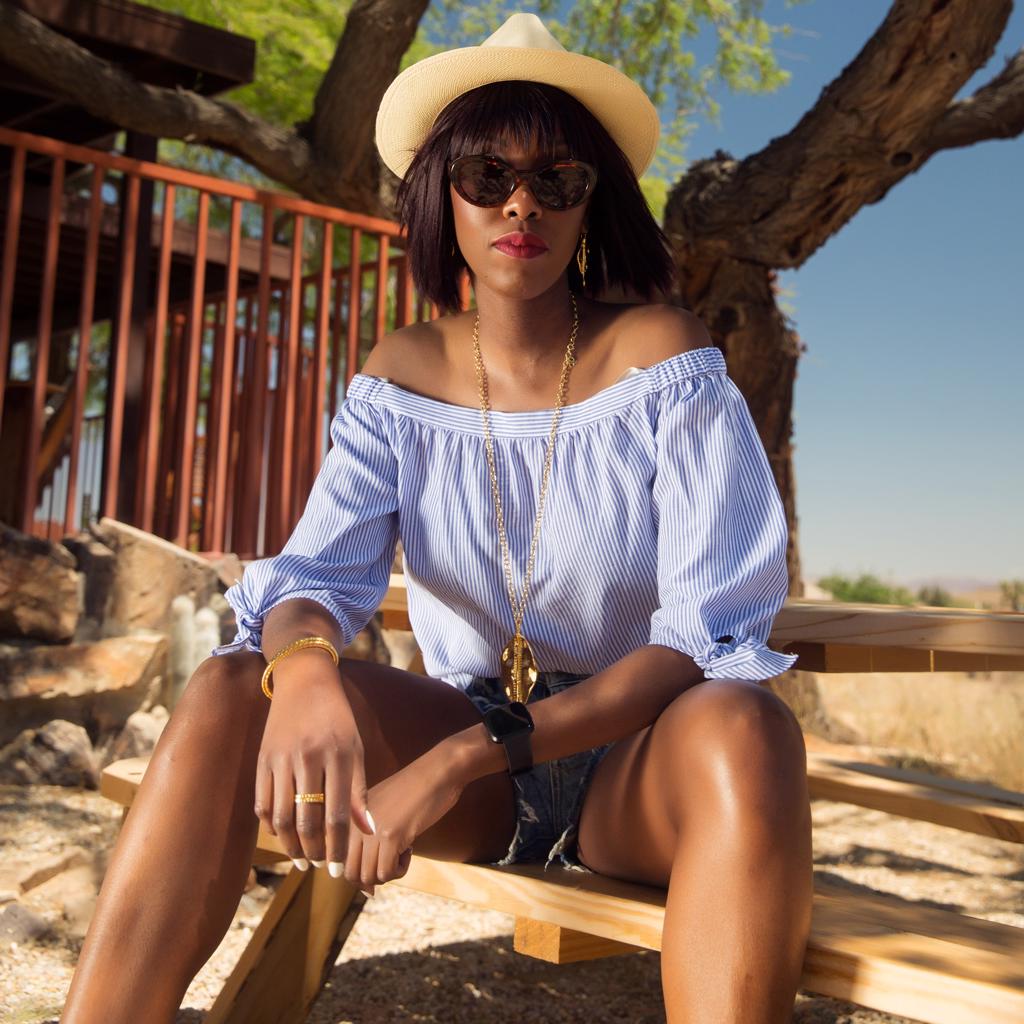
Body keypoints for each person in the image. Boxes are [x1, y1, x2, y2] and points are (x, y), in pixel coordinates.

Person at [62, 13, 812, 1023]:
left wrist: (461, 757)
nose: (520, 203)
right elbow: (312, 579)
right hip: (471, 753)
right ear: (439, 194)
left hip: (635, 761)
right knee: (234, 686)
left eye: (556, 180)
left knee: (746, 725)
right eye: (486, 175)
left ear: (592, 201)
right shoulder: (401, 376)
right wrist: (308, 672)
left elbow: (700, 639)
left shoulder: (662, 359)